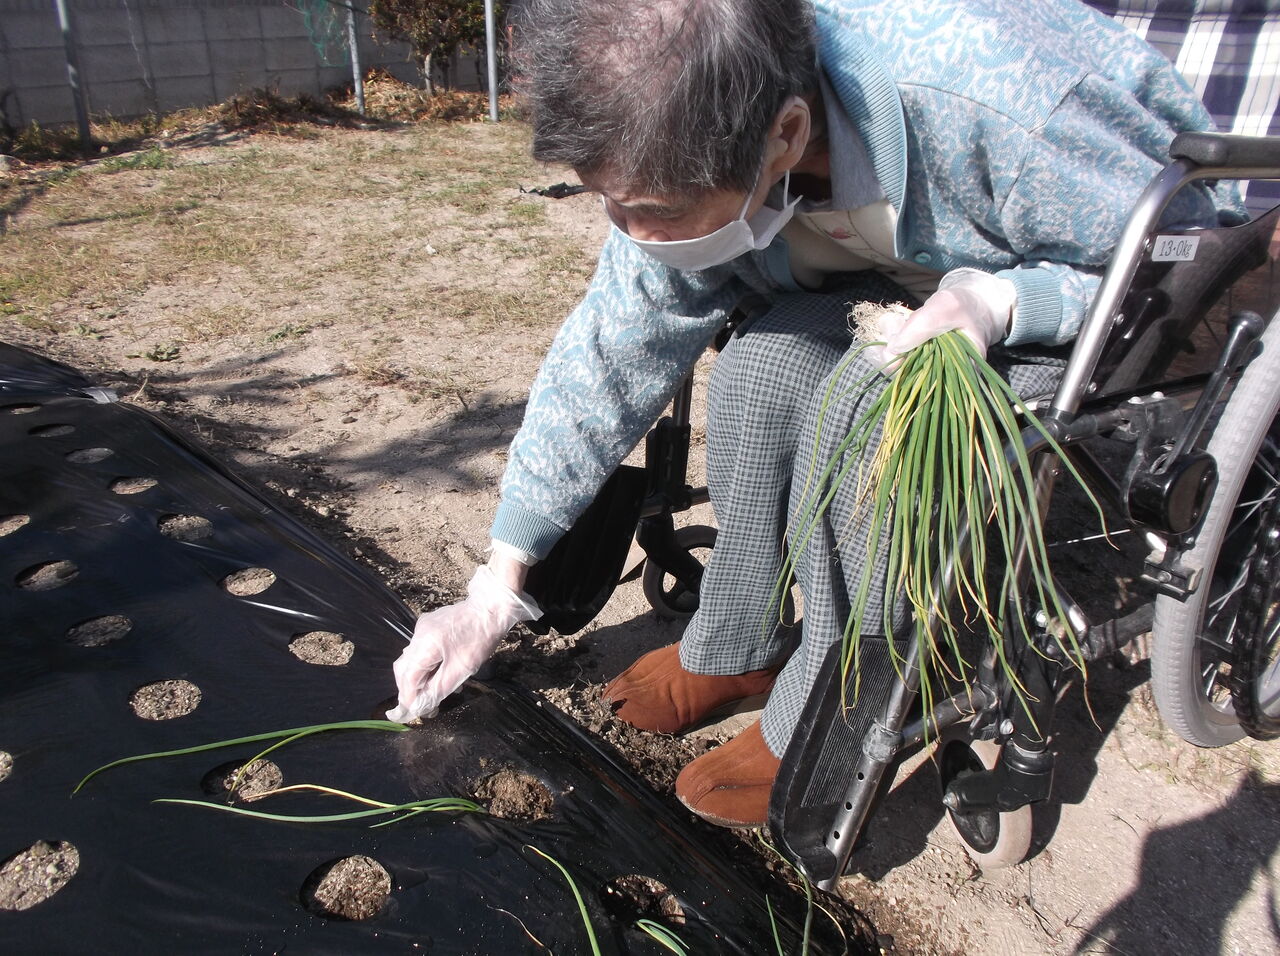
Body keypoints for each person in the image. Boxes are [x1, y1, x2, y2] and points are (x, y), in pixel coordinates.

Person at [388, 0, 1240, 828]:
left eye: (659, 212)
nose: (636, 234)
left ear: (787, 133)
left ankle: (854, 686)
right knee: (758, 368)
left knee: (865, 409)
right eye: (613, 204)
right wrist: (495, 589)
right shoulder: (689, 127)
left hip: (1062, 290)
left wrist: (1003, 300)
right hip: (887, 277)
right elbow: (609, 355)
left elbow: (1185, 254)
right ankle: (738, 644)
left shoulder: (999, 102)